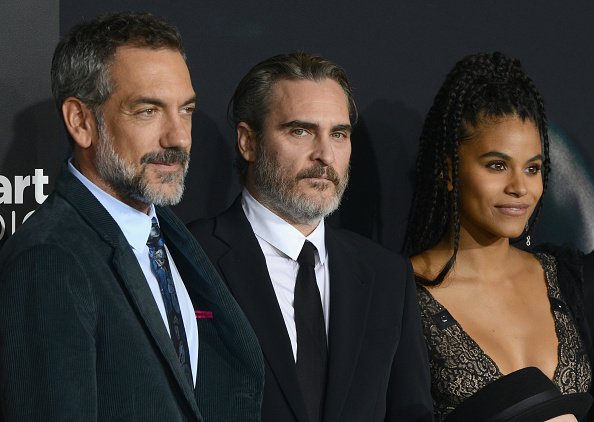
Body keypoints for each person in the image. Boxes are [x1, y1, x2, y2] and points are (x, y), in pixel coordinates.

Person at [0, 12, 263, 421]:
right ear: (81, 121)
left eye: (187, 110)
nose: (178, 137)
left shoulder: (169, 237)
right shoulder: (50, 259)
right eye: (148, 111)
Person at [188, 52, 433, 421]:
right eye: (300, 131)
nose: (324, 155)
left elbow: (411, 413)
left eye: (338, 134)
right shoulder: (188, 257)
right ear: (247, 142)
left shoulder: (386, 275)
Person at [403, 51, 593, 421]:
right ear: (450, 172)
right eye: (497, 165)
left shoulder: (569, 279)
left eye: (533, 168)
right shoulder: (400, 296)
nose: (520, 187)